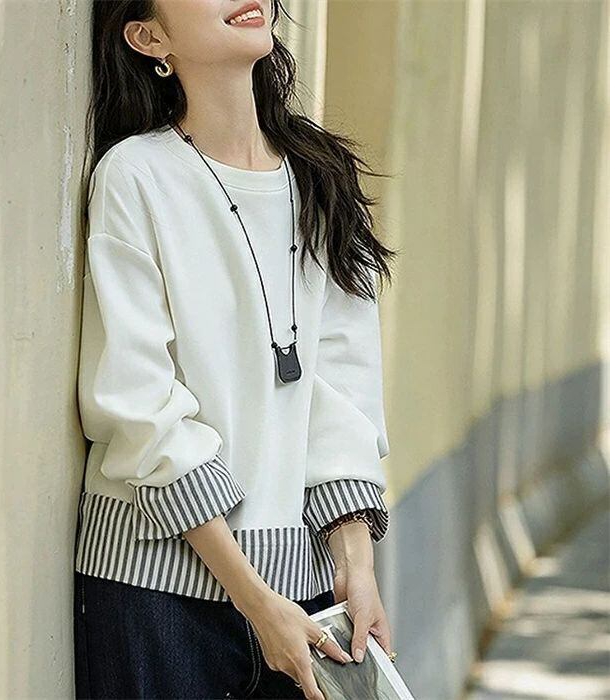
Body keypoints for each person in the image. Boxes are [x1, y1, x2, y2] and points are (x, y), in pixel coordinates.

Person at [73, 1, 399, 698]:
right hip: (156, 596)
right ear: (150, 38)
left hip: (304, 598)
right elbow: (138, 403)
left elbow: (342, 387)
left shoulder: (320, 179)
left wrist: (356, 565)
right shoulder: (136, 176)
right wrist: (254, 599)